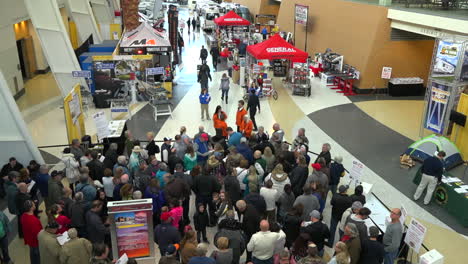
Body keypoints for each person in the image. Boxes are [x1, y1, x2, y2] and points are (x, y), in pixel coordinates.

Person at [21, 200, 42, 264]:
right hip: (35, 242)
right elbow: (38, 234)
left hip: (29, 240)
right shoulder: (34, 220)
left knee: (32, 255)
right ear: (31, 208)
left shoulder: (23, 216)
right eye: (33, 204)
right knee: (37, 257)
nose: (35, 205)